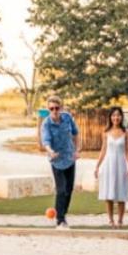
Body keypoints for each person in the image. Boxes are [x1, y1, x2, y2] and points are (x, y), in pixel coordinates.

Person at [39, 95, 79, 227]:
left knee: (69, 189)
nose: (54, 111)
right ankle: (60, 220)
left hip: (70, 158)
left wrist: (76, 150)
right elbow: (46, 141)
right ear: (48, 109)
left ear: (61, 108)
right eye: (51, 109)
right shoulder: (46, 124)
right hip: (56, 160)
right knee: (61, 190)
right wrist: (50, 151)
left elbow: (75, 133)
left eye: (56, 108)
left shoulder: (67, 117)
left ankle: (62, 213)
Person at [94, 106, 128, 227]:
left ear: (121, 117)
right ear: (110, 117)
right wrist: (97, 166)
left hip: (121, 164)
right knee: (108, 192)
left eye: (118, 115)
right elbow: (103, 150)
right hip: (108, 164)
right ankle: (110, 220)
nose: (116, 118)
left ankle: (120, 221)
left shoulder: (126, 133)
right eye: (114, 115)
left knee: (121, 193)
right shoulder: (106, 132)